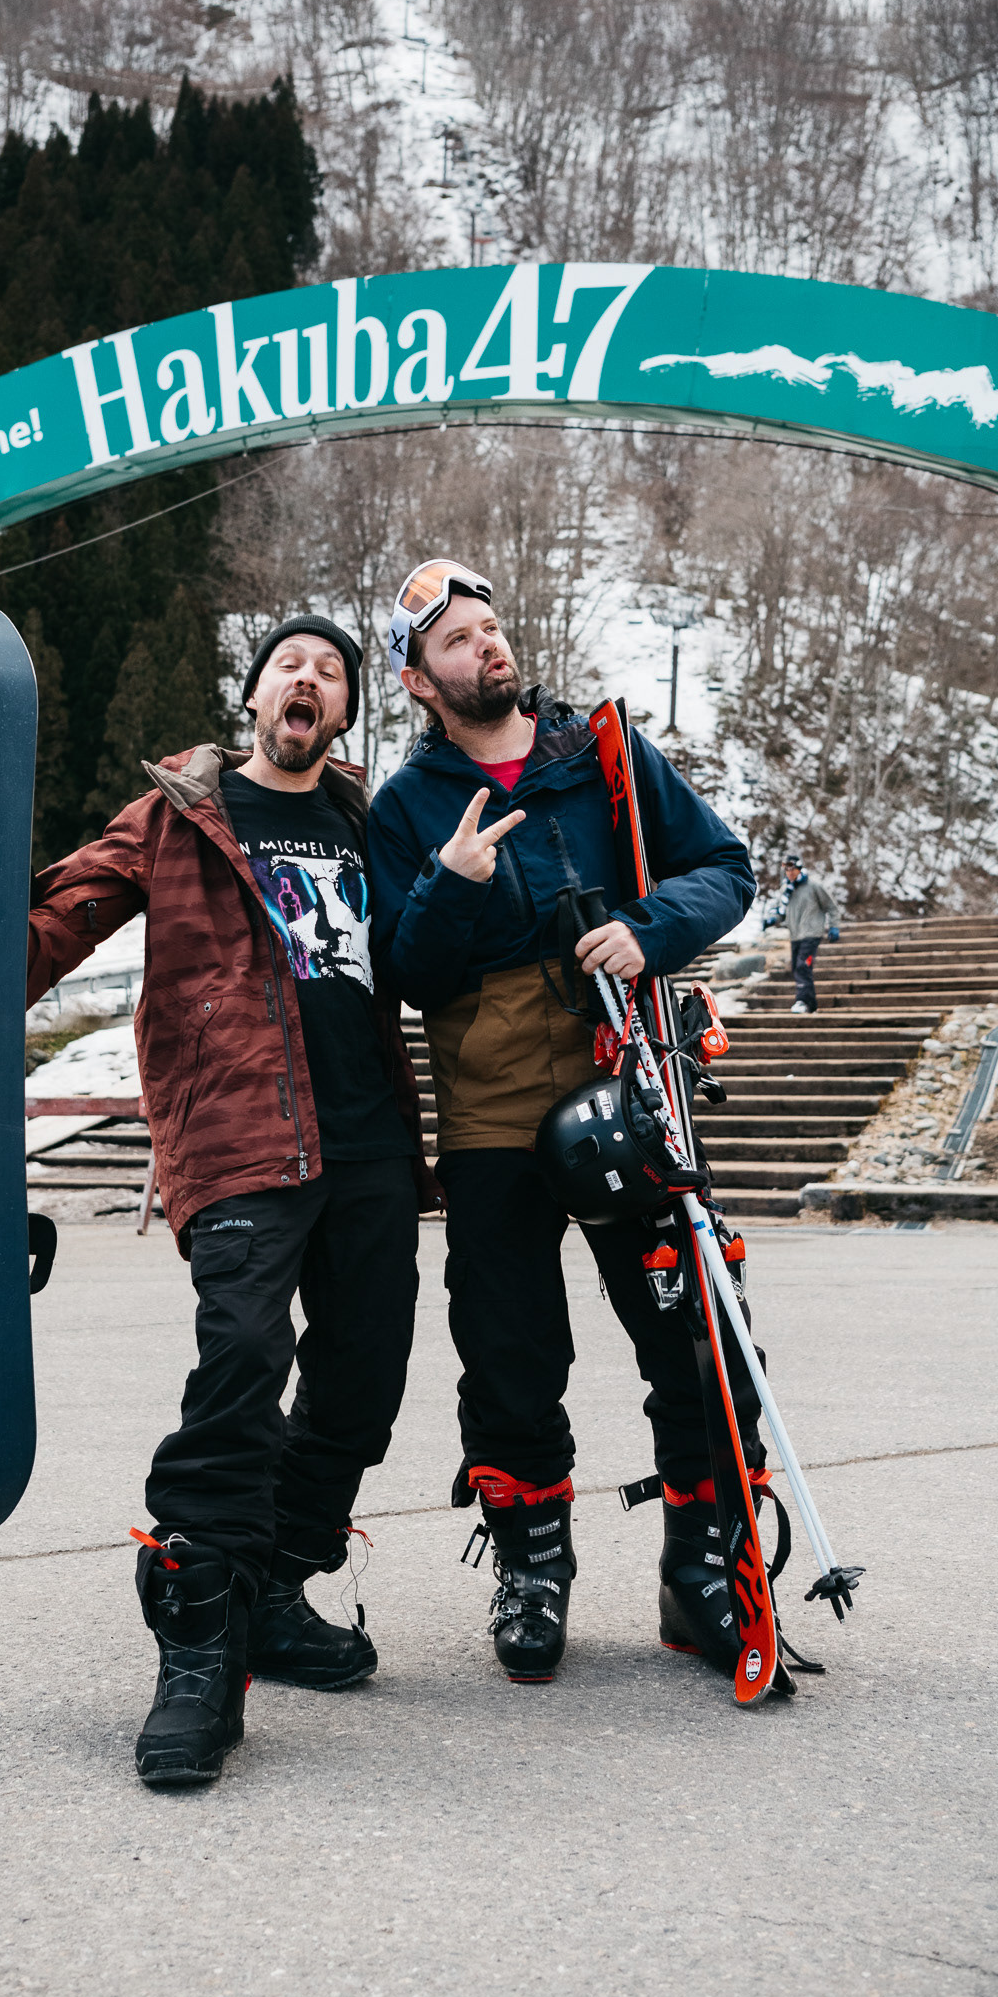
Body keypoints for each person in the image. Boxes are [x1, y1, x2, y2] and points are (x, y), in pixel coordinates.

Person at [0, 615, 435, 1788]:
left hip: (370, 1136)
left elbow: (435, 942)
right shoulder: (178, 811)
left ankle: (274, 1589)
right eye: (289, 664)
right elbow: (50, 924)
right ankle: (200, 1647)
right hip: (236, 1125)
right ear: (254, 696)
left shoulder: (374, 819)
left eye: (330, 671)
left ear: (344, 710)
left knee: (365, 1376)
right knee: (243, 1356)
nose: (308, 679)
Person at [367, 559, 764, 1687]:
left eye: (490, 627)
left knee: (694, 1327)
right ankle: (534, 1568)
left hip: (624, 1074)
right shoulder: (405, 807)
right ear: (419, 681)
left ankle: (701, 1569)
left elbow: (724, 868)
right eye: (456, 640)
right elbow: (401, 973)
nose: (486, 646)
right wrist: (449, 881)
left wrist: (649, 927)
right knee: (507, 1348)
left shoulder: (604, 754)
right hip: (488, 1100)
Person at [762, 854, 840, 1014]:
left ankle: (802, 1001)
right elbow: (781, 912)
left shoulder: (814, 886)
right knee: (797, 968)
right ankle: (811, 1005)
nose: (790, 872)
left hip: (812, 933)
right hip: (795, 935)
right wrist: (772, 919)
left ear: (799, 869)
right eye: (787, 869)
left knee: (803, 966)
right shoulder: (787, 890)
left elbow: (831, 907)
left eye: (793, 869)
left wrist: (834, 926)